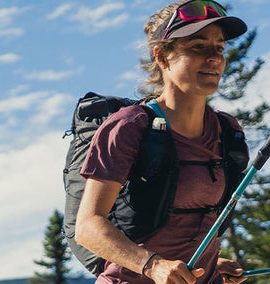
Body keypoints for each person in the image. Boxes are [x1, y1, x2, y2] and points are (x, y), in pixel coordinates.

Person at [74, 1, 252, 284]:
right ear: (162, 57)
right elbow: (87, 226)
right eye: (198, 46)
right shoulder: (130, 127)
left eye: (219, 48)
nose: (214, 58)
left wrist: (212, 262)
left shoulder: (226, 129)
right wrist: (153, 266)